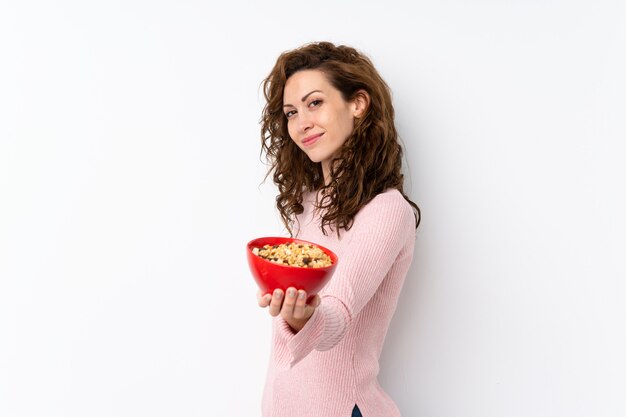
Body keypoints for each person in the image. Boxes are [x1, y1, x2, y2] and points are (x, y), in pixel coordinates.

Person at [256, 41, 421, 417]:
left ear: (357, 104)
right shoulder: (307, 206)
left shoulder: (386, 210)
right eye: (291, 112)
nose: (302, 122)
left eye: (315, 103)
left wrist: (302, 317)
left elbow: (337, 315)